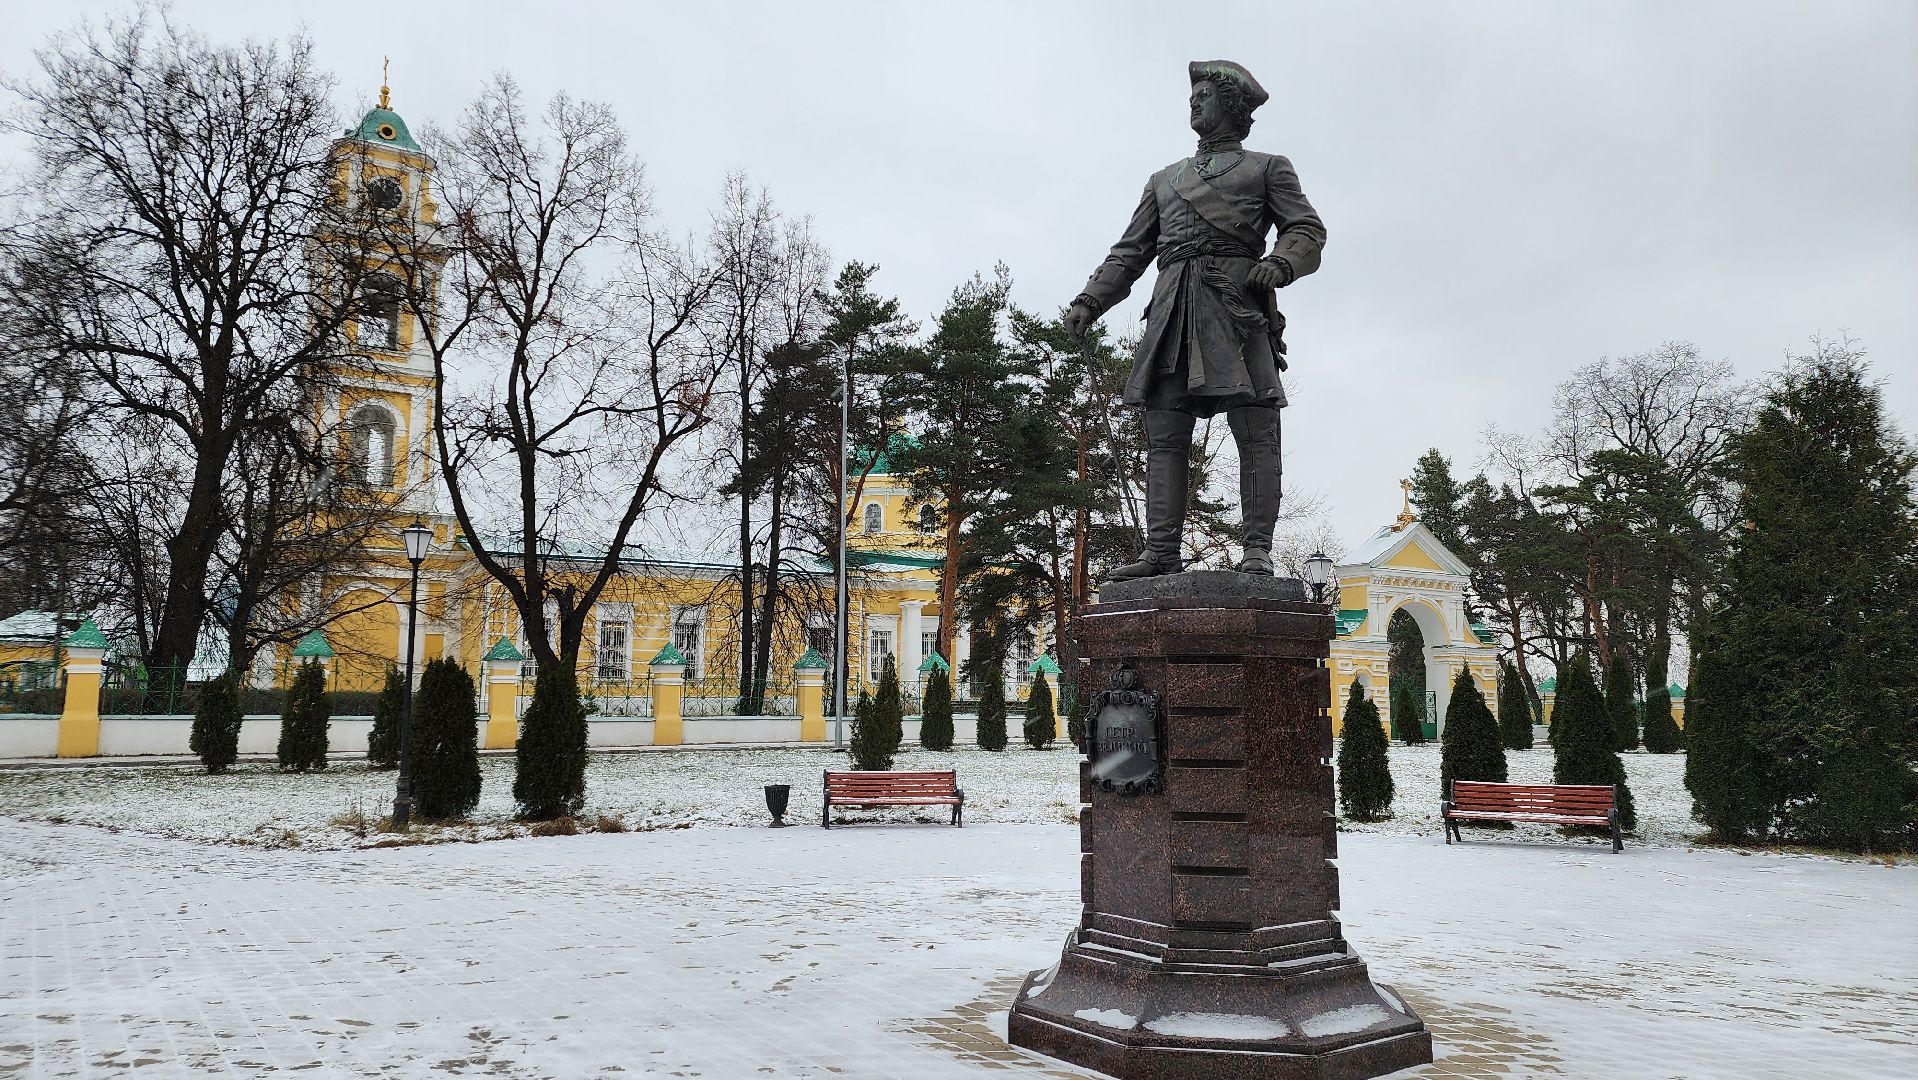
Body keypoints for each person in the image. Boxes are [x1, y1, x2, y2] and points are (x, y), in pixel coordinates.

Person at [1065, 60, 1326, 579]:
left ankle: (1256, 549)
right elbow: (1129, 253)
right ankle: (1161, 551)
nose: (1193, 102)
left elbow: (1306, 230)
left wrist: (1279, 263)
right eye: (1192, 96)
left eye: (1203, 94)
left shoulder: (1268, 167)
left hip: (1237, 306)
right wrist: (1091, 299)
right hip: (1173, 308)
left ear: (1232, 106)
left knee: (1256, 429)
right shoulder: (1164, 180)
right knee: (1164, 431)